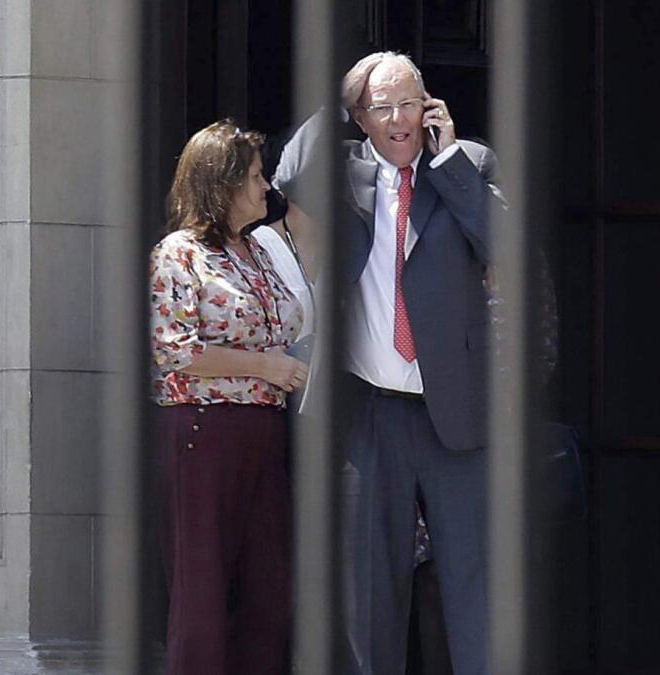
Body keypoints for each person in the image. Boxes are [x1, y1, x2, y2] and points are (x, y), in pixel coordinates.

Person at [274, 52, 502, 675]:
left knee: (474, 583)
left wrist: (448, 156)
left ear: (429, 106)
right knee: (369, 592)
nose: (399, 119)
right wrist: (338, 101)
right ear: (361, 118)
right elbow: (288, 173)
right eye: (383, 107)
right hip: (368, 415)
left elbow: (498, 239)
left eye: (409, 103)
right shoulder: (344, 173)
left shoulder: (467, 166)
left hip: (453, 414)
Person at [150, 120, 308, 674]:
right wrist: (266, 366)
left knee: (269, 592)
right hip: (203, 431)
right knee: (203, 597)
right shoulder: (180, 254)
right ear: (222, 182)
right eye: (257, 176)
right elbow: (175, 351)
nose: (267, 187)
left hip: (263, 433)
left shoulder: (259, 252)